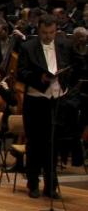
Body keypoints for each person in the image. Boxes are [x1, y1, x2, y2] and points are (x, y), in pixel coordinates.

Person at [17, 14, 72, 199]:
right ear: (38, 30)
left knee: (53, 145)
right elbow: (21, 73)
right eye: (44, 32)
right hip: (36, 100)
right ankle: (33, 184)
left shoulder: (64, 45)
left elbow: (71, 67)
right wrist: (39, 78)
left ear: (56, 30)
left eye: (51, 32)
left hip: (57, 100)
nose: (48, 36)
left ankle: (51, 186)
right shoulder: (27, 47)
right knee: (35, 144)